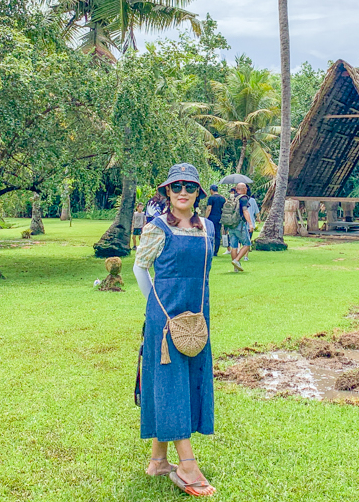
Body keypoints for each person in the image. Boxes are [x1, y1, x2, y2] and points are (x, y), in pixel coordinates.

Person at [132, 163, 217, 497]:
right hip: (165, 319)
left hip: (196, 318)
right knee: (172, 385)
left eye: (190, 187)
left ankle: (158, 460)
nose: (183, 192)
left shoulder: (208, 227)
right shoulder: (156, 227)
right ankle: (187, 466)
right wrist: (157, 309)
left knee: (184, 382)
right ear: (167, 192)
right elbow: (141, 269)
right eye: (176, 186)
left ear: (198, 193)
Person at [226, 182, 252, 270]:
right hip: (239, 225)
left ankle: (235, 267)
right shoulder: (243, 198)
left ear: (236, 189)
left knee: (234, 246)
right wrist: (250, 224)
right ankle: (236, 260)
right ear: (244, 189)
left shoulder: (232, 197)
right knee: (247, 244)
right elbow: (245, 211)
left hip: (231, 224)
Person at [204, 185, 225, 253]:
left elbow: (209, 209)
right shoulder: (222, 198)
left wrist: (205, 218)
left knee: (210, 233)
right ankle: (216, 250)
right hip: (219, 217)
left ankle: (210, 248)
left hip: (211, 218)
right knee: (217, 234)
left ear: (211, 190)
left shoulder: (211, 198)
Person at [243, 190, 260, 262]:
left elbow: (256, 211)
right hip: (249, 224)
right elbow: (257, 211)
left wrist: (258, 218)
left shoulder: (251, 200)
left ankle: (244, 255)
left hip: (247, 224)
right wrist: (258, 218)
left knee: (245, 240)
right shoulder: (252, 200)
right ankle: (245, 256)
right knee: (247, 240)